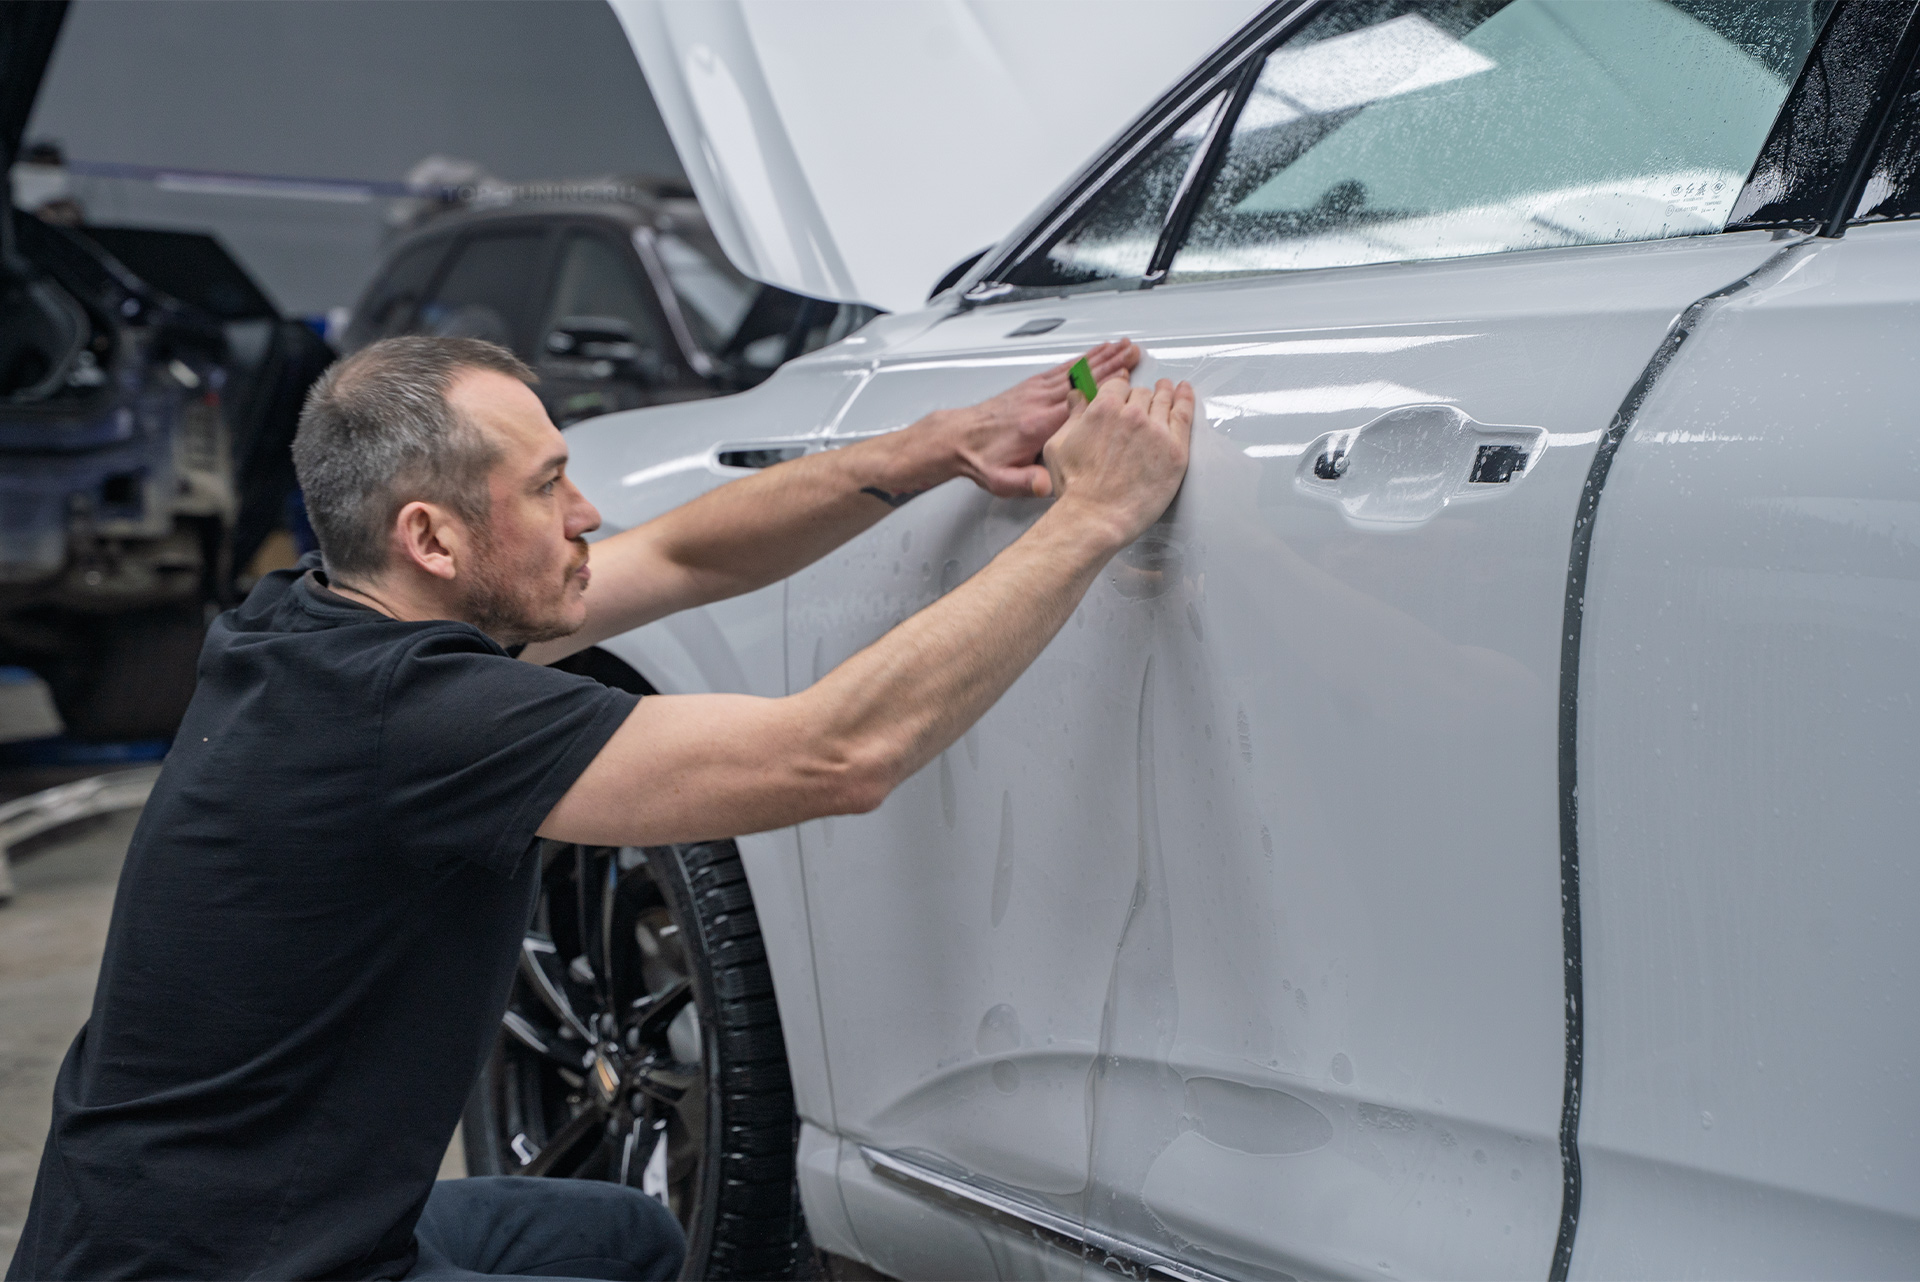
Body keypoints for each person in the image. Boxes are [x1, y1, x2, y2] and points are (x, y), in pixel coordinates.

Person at [9, 333, 1193, 1280]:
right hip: (236, 1263)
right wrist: (1092, 517)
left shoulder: (308, 624)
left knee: (621, 1238)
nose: (584, 513)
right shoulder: (415, 719)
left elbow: (681, 559)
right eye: (546, 487)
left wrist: (935, 446)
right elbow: (837, 753)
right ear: (431, 536)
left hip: (181, 1227)